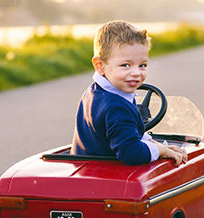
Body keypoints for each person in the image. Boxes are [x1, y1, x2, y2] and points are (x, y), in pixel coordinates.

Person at [71, 20, 187, 166]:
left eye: (142, 65)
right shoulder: (116, 106)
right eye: (125, 65)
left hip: (85, 168)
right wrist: (161, 150)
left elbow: (129, 134)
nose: (136, 73)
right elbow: (132, 154)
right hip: (107, 175)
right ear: (100, 66)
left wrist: (152, 143)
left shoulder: (96, 92)